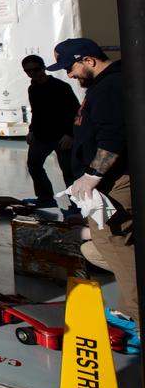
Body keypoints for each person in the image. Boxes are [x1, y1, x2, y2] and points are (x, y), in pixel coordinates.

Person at [49, 37, 136, 323]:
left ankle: (135, 312)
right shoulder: (103, 86)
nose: (69, 75)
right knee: (99, 245)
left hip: (114, 179)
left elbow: (112, 138)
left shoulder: (110, 87)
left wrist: (93, 175)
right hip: (109, 180)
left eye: (70, 68)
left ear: (88, 60)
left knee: (113, 241)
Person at [21, 54, 79, 208]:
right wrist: (32, 131)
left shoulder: (61, 87)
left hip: (61, 137)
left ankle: (77, 207)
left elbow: (75, 112)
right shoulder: (33, 88)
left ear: (43, 68)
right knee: (33, 165)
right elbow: (36, 112)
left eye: (36, 69)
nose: (32, 74)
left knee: (68, 172)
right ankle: (45, 198)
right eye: (28, 71)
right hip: (41, 136)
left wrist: (70, 134)